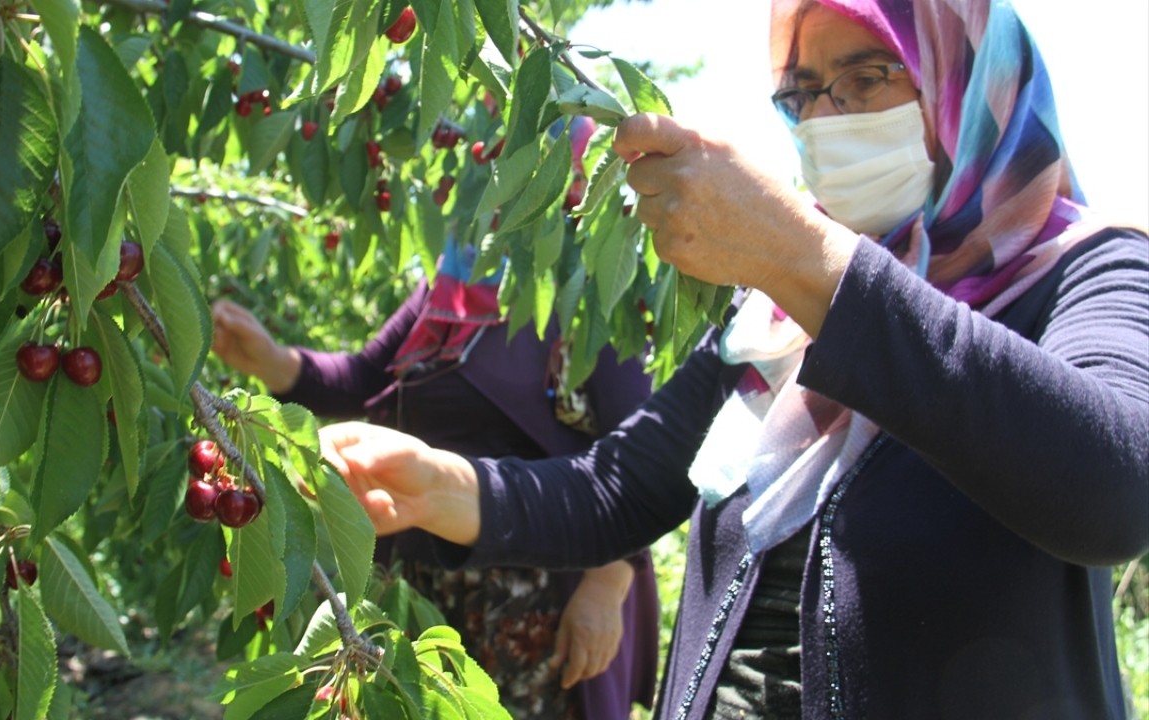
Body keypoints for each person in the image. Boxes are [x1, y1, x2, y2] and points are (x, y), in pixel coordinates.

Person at [318, 1, 1149, 718]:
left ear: (969, 81)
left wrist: (806, 258)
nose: (825, 119)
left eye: (866, 78)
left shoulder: (1089, 269)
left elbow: (1115, 493)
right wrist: (446, 487)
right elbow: (623, 486)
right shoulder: (777, 318)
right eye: (802, 94)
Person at [210, 232, 661, 718]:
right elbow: (366, 378)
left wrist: (607, 586)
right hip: (425, 584)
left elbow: (637, 446)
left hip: (533, 596)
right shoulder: (453, 279)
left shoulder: (584, 277)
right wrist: (272, 360)